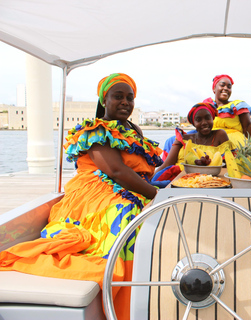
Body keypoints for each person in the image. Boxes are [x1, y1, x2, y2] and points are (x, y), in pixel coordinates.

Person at [0, 73, 163, 319]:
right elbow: (116, 171)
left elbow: (139, 171)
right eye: (117, 96)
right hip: (95, 192)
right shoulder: (95, 130)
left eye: (130, 98)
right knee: (128, 224)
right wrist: (158, 196)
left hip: (133, 188)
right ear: (104, 100)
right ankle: (122, 305)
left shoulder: (133, 129)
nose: (125, 102)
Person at [152, 102, 235, 184]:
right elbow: (167, 165)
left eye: (207, 118)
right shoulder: (182, 138)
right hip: (179, 180)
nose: (204, 123)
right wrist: (147, 180)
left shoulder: (219, 135)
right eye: (199, 120)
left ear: (212, 118)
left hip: (212, 181)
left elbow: (230, 164)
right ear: (193, 123)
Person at [205, 74, 251, 147]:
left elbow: (248, 134)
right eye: (222, 85)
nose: (226, 88)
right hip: (211, 146)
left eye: (229, 87)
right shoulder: (207, 106)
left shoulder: (238, 106)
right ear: (214, 88)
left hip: (235, 147)